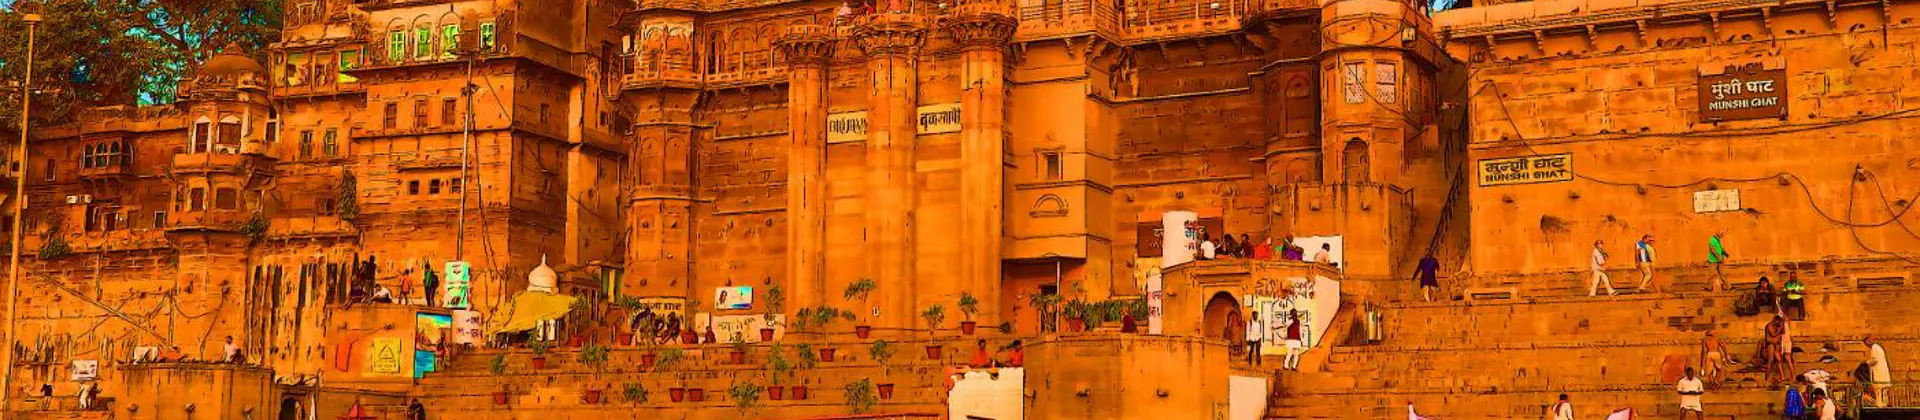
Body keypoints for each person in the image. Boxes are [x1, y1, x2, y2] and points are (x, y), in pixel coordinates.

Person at [1868, 336, 1892, 408]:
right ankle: (1884, 405)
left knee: (1879, 393)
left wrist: (1866, 363)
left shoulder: (1874, 348)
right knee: (1884, 394)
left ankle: (1880, 407)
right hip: (1884, 375)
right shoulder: (1879, 348)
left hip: (1879, 375)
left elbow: (1874, 360)